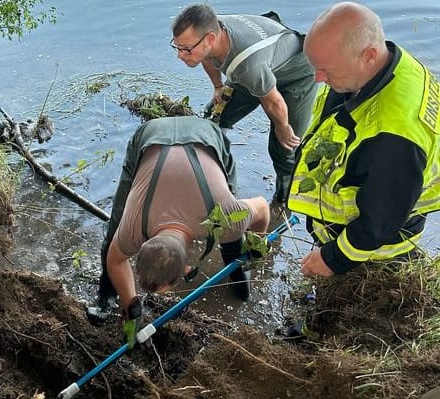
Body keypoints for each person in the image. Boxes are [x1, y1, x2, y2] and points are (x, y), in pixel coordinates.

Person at [288, 2, 440, 277]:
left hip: (376, 256)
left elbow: (378, 224)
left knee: (355, 311)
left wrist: (333, 259)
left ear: (368, 55)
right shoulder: (389, 63)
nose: (317, 79)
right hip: (370, 219)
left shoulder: (394, 138)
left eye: (327, 71)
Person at [92, 116, 270, 336]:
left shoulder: (225, 216)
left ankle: (239, 279)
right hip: (150, 138)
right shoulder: (133, 225)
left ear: (187, 269)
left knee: (233, 236)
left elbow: (262, 208)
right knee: (113, 233)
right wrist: (131, 307)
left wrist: (256, 246)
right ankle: (105, 299)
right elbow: (115, 258)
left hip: (207, 137)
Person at [170, 4, 317, 203]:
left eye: (186, 49)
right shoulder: (208, 31)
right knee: (215, 116)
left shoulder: (248, 66)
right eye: (178, 47)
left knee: (284, 146)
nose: (180, 55)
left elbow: (273, 101)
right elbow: (206, 57)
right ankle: (208, 177)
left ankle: (285, 201)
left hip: (295, 74)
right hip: (261, 67)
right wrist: (218, 87)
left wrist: (282, 126)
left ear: (210, 39)